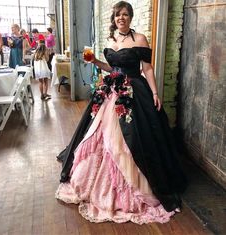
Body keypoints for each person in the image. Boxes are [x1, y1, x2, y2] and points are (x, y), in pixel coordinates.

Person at [55, 1, 187, 224]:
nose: (121, 18)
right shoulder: (111, 39)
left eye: (125, 15)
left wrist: (155, 93)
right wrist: (96, 61)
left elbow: (147, 69)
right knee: (97, 135)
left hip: (133, 91)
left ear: (131, 17)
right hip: (110, 90)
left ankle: (136, 184)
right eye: (118, 16)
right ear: (114, 19)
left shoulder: (140, 39)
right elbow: (110, 68)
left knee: (130, 139)